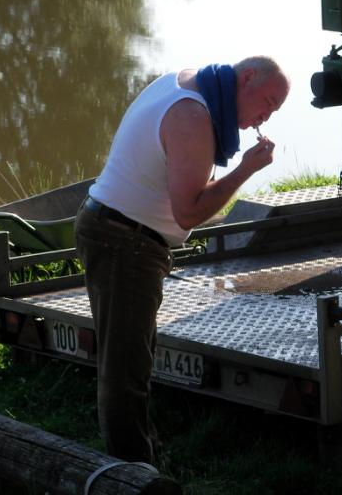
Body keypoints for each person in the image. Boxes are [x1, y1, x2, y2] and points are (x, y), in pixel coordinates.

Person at [74, 56, 290, 465]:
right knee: (124, 369)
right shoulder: (192, 116)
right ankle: (134, 475)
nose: (266, 116)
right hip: (124, 240)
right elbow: (188, 212)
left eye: (274, 111)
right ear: (247, 77)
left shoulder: (189, 83)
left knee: (132, 356)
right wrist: (244, 170)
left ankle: (144, 453)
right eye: (268, 102)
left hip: (118, 231)